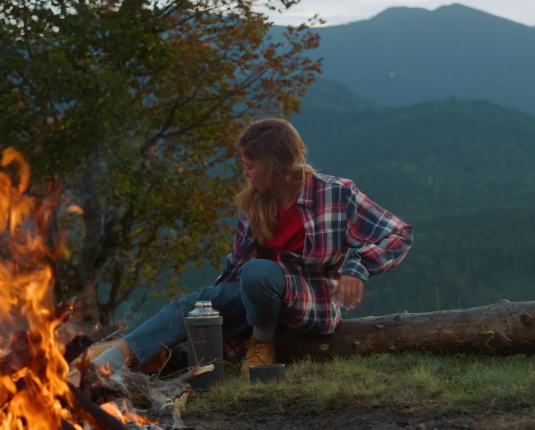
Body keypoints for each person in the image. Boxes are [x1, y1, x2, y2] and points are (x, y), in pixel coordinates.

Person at [94, 118, 413, 376]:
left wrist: (357, 267)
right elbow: (236, 270)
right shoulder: (255, 203)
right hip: (258, 295)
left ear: (275, 165)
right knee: (197, 303)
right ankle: (110, 360)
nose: (244, 172)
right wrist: (212, 308)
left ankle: (263, 342)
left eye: (250, 165)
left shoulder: (336, 193)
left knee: (257, 272)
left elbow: (399, 235)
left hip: (312, 300)